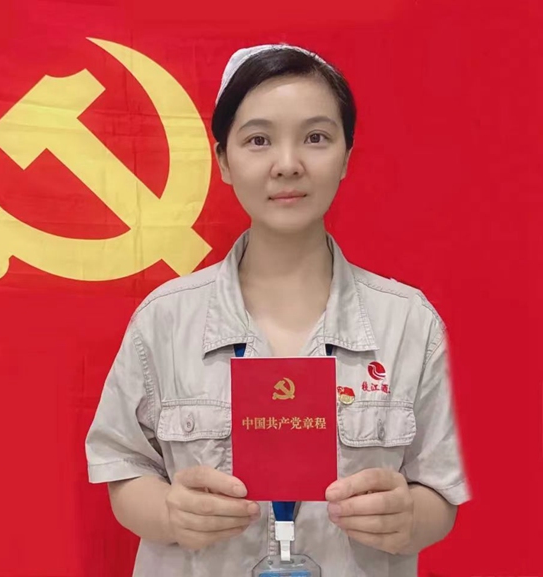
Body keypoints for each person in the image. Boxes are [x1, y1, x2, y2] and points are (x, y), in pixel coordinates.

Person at [85, 43, 469, 576]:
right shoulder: (164, 319)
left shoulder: (408, 322)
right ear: (223, 160)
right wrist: (170, 512)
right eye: (259, 140)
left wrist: (408, 517)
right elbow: (123, 467)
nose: (288, 165)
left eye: (316, 138)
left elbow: (441, 491)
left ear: (347, 156)